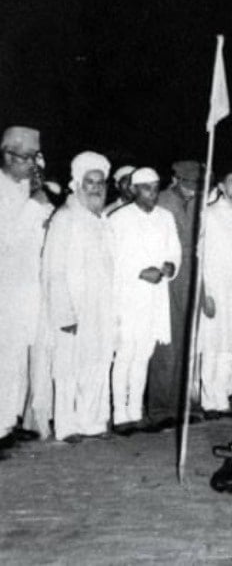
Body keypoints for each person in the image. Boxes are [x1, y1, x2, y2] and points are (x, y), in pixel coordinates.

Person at [41, 152, 115, 442]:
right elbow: (53, 271)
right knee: (69, 366)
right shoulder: (65, 218)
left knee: (97, 363)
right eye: (90, 182)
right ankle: (67, 425)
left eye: (100, 182)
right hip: (73, 307)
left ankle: (93, 422)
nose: (96, 188)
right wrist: (64, 313)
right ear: (77, 183)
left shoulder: (102, 219)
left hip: (101, 306)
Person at [109, 167, 181, 434]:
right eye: (147, 188)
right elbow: (112, 260)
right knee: (126, 353)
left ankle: (136, 412)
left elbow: (175, 250)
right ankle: (120, 415)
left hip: (155, 296)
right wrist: (139, 271)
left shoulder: (166, 217)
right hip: (129, 296)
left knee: (144, 355)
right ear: (134, 189)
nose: (153, 193)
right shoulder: (118, 218)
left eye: (155, 187)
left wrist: (171, 267)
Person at [0, 126, 48, 449]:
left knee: (17, 360)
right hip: (4, 288)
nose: (32, 165)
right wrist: (34, 206)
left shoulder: (21, 187)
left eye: (34, 158)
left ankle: (8, 422)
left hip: (25, 289)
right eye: (26, 158)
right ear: (7, 155)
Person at [147, 159, 202, 428]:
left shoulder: (199, 204)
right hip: (168, 276)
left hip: (192, 275)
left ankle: (182, 404)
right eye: (189, 183)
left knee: (186, 342)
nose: (193, 189)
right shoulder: (163, 202)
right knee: (165, 344)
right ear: (177, 180)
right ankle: (160, 408)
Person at [198, 162, 232, 416]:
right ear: (220, 185)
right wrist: (204, 293)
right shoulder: (208, 214)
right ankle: (210, 399)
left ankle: (223, 395)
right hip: (214, 287)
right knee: (212, 343)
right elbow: (200, 256)